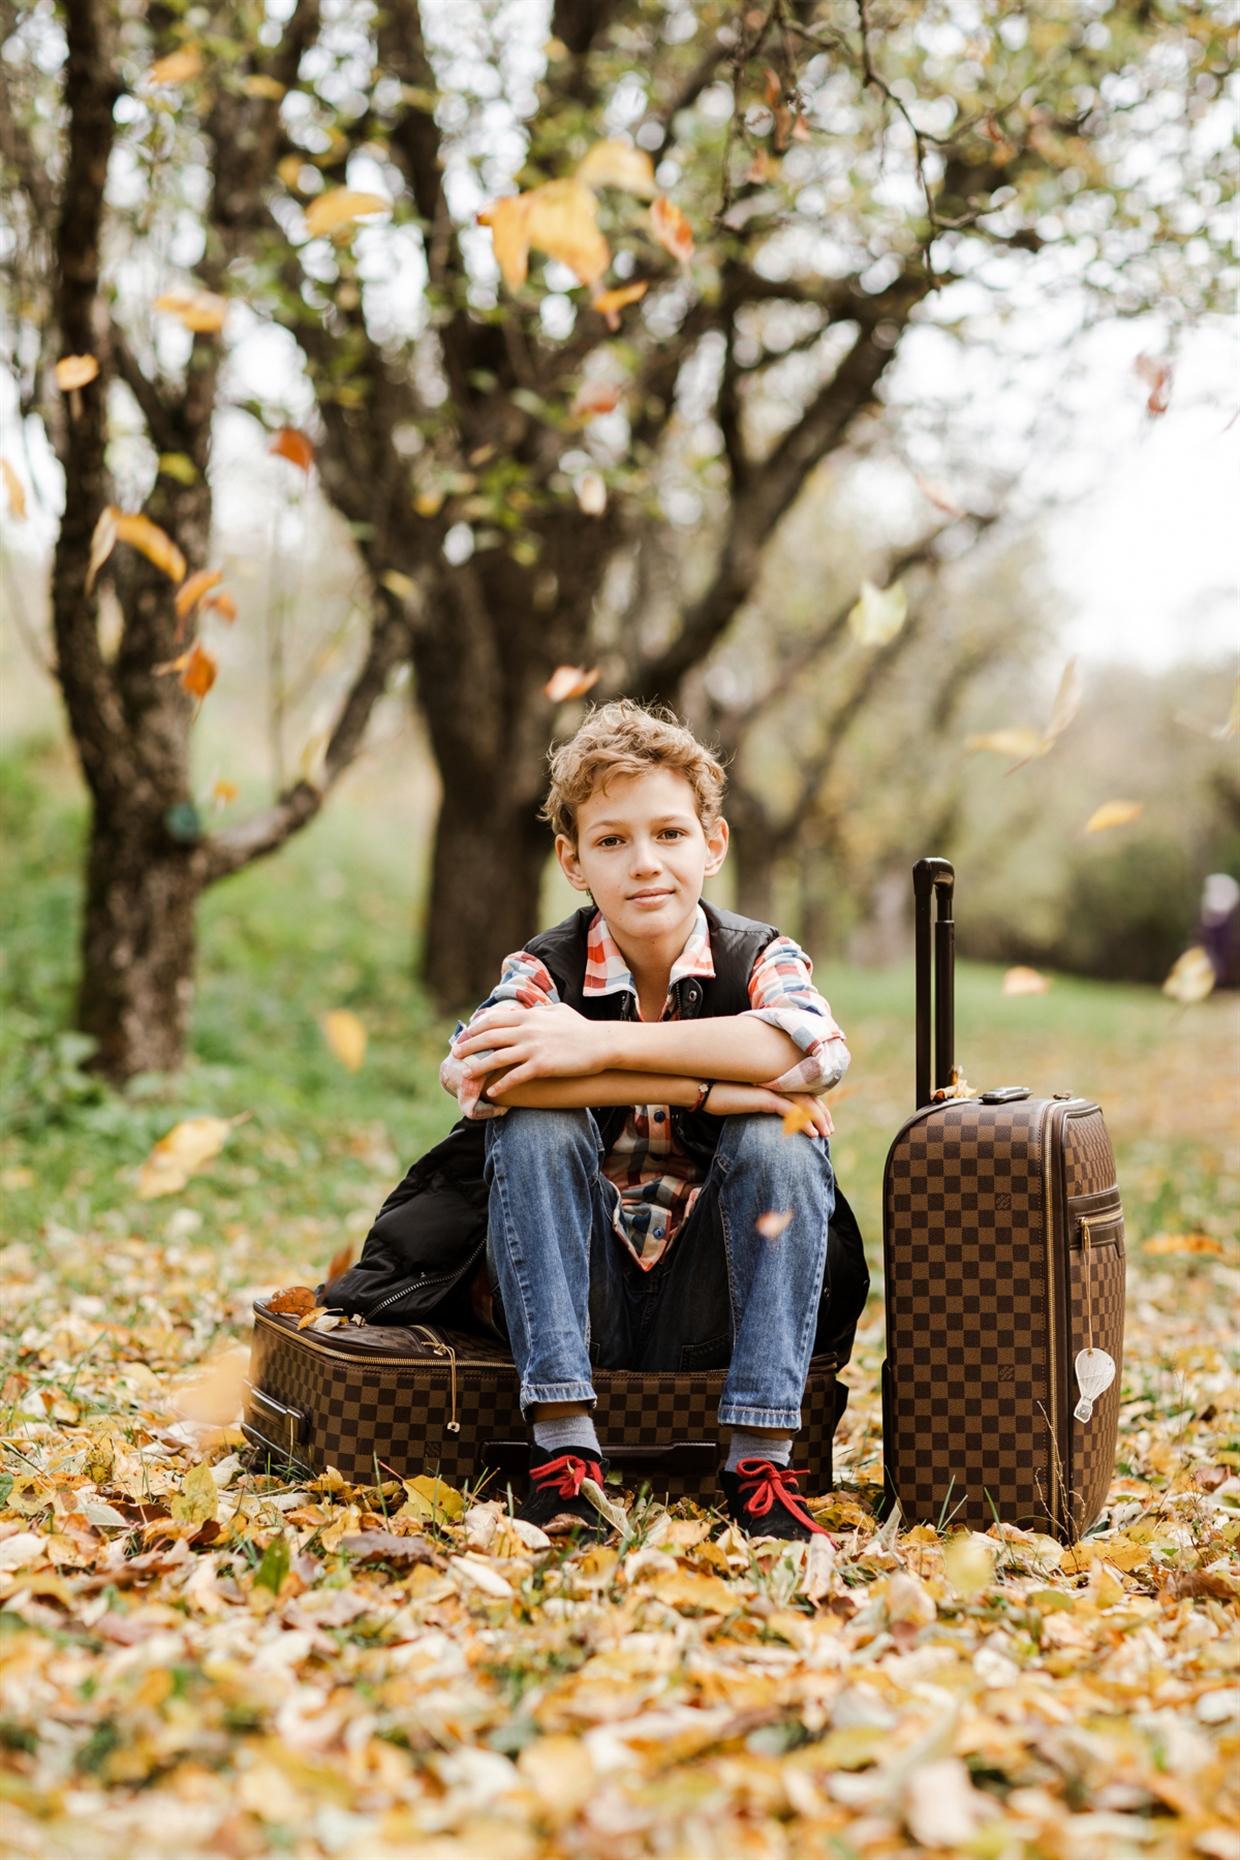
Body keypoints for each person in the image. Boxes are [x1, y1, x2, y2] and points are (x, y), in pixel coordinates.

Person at [439, 701, 868, 1540]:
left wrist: (591, 1048)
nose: (645, 864)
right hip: (578, 1293)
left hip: (715, 1298)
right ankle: (564, 1459)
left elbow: (814, 1052)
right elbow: (479, 1077)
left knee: (775, 1141)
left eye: (670, 835)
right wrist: (723, 1082)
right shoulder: (543, 969)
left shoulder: (760, 955)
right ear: (572, 861)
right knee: (531, 1128)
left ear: (714, 844)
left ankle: (761, 1465)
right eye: (612, 841)